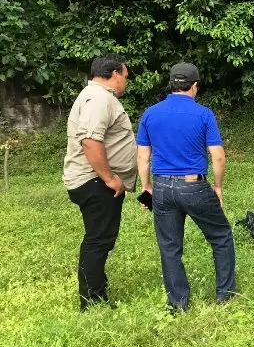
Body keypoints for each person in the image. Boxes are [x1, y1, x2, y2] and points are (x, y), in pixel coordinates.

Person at [136, 63, 235, 312]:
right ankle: (225, 294)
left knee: (170, 247)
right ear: (195, 86)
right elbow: (218, 156)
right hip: (194, 186)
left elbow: (142, 157)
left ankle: (178, 303)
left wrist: (147, 187)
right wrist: (218, 187)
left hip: (161, 187)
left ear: (171, 84)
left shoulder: (150, 114)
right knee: (221, 237)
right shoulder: (203, 114)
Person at [64, 53, 137, 311]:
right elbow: (91, 142)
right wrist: (110, 178)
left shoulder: (94, 96)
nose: (125, 82)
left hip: (93, 180)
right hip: (95, 181)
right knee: (98, 240)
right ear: (115, 74)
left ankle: (95, 289)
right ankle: (92, 300)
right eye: (125, 76)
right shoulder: (99, 99)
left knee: (99, 238)